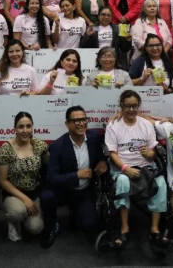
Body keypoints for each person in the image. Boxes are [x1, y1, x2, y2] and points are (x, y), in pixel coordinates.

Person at [105, 91, 170, 250]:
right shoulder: (113, 126)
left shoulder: (145, 124)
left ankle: (154, 229)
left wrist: (149, 154)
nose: (131, 109)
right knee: (122, 182)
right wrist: (125, 168)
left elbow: (153, 152)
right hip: (122, 168)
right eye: (127, 106)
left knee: (160, 183)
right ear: (121, 106)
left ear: (138, 106)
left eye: (135, 106)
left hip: (146, 167)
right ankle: (124, 227)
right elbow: (112, 153)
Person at [42, 105, 107, 248]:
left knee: (88, 223)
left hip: (83, 192)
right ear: (67, 124)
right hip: (63, 190)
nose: (81, 123)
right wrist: (76, 175)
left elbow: (101, 153)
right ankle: (51, 227)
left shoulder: (94, 137)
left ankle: (75, 214)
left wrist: (102, 160)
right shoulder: (58, 146)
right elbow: (51, 179)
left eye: (84, 119)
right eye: (76, 121)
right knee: (47, 197)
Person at [0, 112, 49, 242]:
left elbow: (50, 162)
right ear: (15, 128)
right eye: (21, 127)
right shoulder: (6, 149)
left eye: (28, 126)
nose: (25, 130)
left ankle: (26, 217)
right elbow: (2, 181)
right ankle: (14, 221)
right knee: (17, 212)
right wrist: (26, 200)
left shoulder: (38, 145)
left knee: (36, 228)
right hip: (13, 193)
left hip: (34, 192)